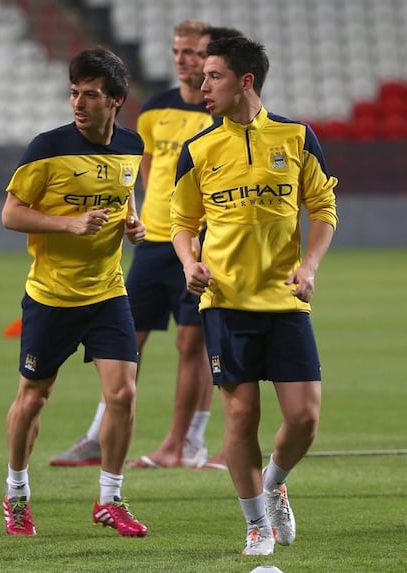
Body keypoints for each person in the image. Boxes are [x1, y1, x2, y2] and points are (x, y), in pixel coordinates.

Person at [170, 36, 338, 555]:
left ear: (246, 81)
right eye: (201, 78)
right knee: (241, 417)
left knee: (305, 418)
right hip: (225, 301)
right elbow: (182, 222)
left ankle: (274, 481)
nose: (202, 87)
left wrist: (309, 266)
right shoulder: (198, 149)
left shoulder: (296, 136)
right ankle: (256, 525)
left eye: (213, 76)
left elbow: (324, 210)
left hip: (285, 301)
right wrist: (189, 261)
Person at [50, 22, 241, 471]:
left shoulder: (220, 116)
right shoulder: (154, 110)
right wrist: (136, 216)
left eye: (193, 52)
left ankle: (184, 442)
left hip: (199, 244)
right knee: (123, 341)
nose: (183, 59)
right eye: (178, 51)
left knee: (190, 345)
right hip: (154, 242)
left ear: (212, 61)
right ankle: (99, 434)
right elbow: (144, 171)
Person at [1, 46, 148, 537]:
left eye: (90, 95)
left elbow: (122, 188)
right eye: (74, 93)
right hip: (51, 296)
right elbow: (11, 213)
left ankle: (110, 499)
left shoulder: (132, 145)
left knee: (123, 393)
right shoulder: (47, 148)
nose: (78, 103)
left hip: (108, 292)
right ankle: (17, 492)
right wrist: (68, 223)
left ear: (116, 101)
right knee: (35, 397)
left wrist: (132, 220)